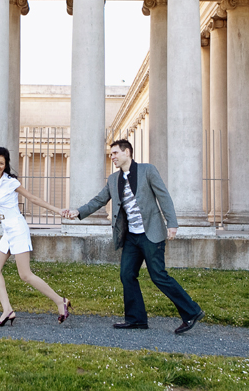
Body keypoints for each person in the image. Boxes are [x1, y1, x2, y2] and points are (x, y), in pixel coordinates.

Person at [63, 139, 204, 335]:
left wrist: (172, 223)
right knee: (127, 274)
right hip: (131, 237)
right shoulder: (113, 179)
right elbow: (99, 200)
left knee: (158, 276)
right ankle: (136, 319)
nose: (112, 157)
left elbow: (163, 196)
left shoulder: (148, 170)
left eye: (115, 153)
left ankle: (191, 311)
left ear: (127, 152)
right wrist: (78, 212)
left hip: (151, 234)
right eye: (111, 154)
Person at [0, 146, 71, 327]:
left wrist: (58, 211)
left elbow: (33, 199)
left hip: (17, 228)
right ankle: (7, 310)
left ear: (6, 165)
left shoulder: (10, 182)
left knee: (25, 275)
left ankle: (60, 301)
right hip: (7, 230)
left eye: (1, 163)